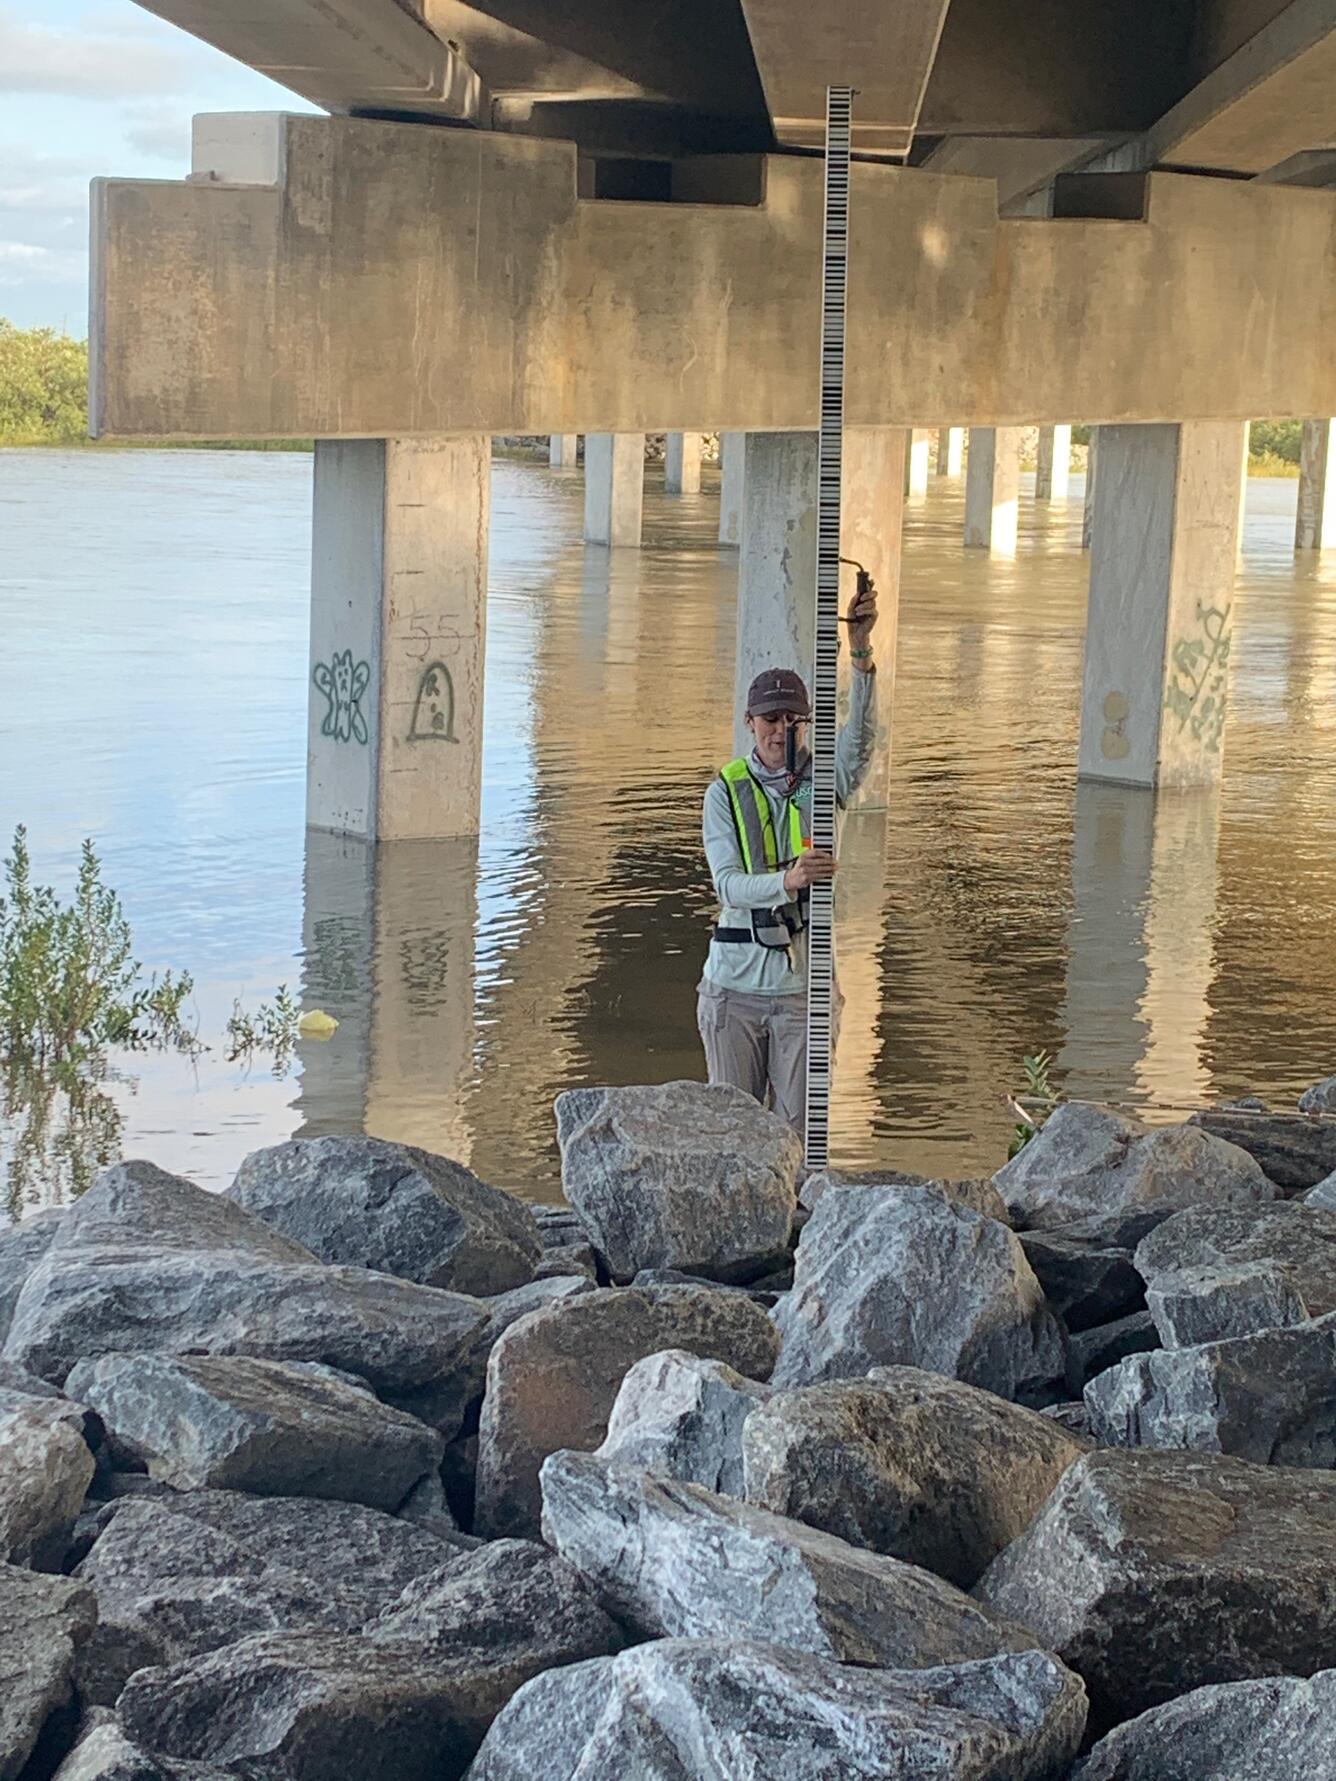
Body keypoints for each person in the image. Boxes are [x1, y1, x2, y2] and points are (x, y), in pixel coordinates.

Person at [697, 576, 879, 1138]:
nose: (780, 729)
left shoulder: (823, 782)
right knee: (734, 1140)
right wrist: (789, 881)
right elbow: (727, 885)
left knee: (800, 1140)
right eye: (769, 718)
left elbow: (864, 738)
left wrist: (862, 652)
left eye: (790, 718)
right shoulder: (724, 790)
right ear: (750, 722)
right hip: (734, 990)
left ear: (804, 722)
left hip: (804, 992)